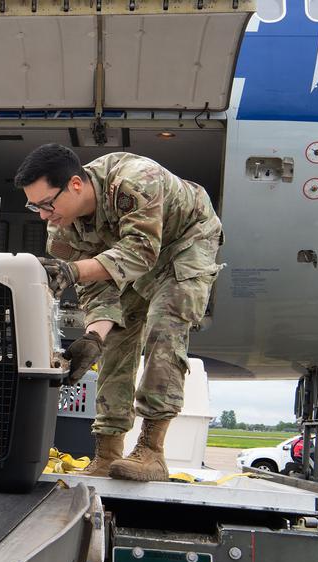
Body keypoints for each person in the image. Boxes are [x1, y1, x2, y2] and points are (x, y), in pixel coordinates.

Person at [15, 144, 223, 482]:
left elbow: (140, 254)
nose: (42, 215)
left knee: (164, 328)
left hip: (185, 243)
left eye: (46, 204)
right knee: (116, 341)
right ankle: (108, 451)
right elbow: (98, 287)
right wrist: (94, 337)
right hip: (129, 255)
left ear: (76, 185)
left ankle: (151, 451)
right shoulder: (62, 230)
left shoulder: (136, 181)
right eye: (33, 206)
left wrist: (74, 272)